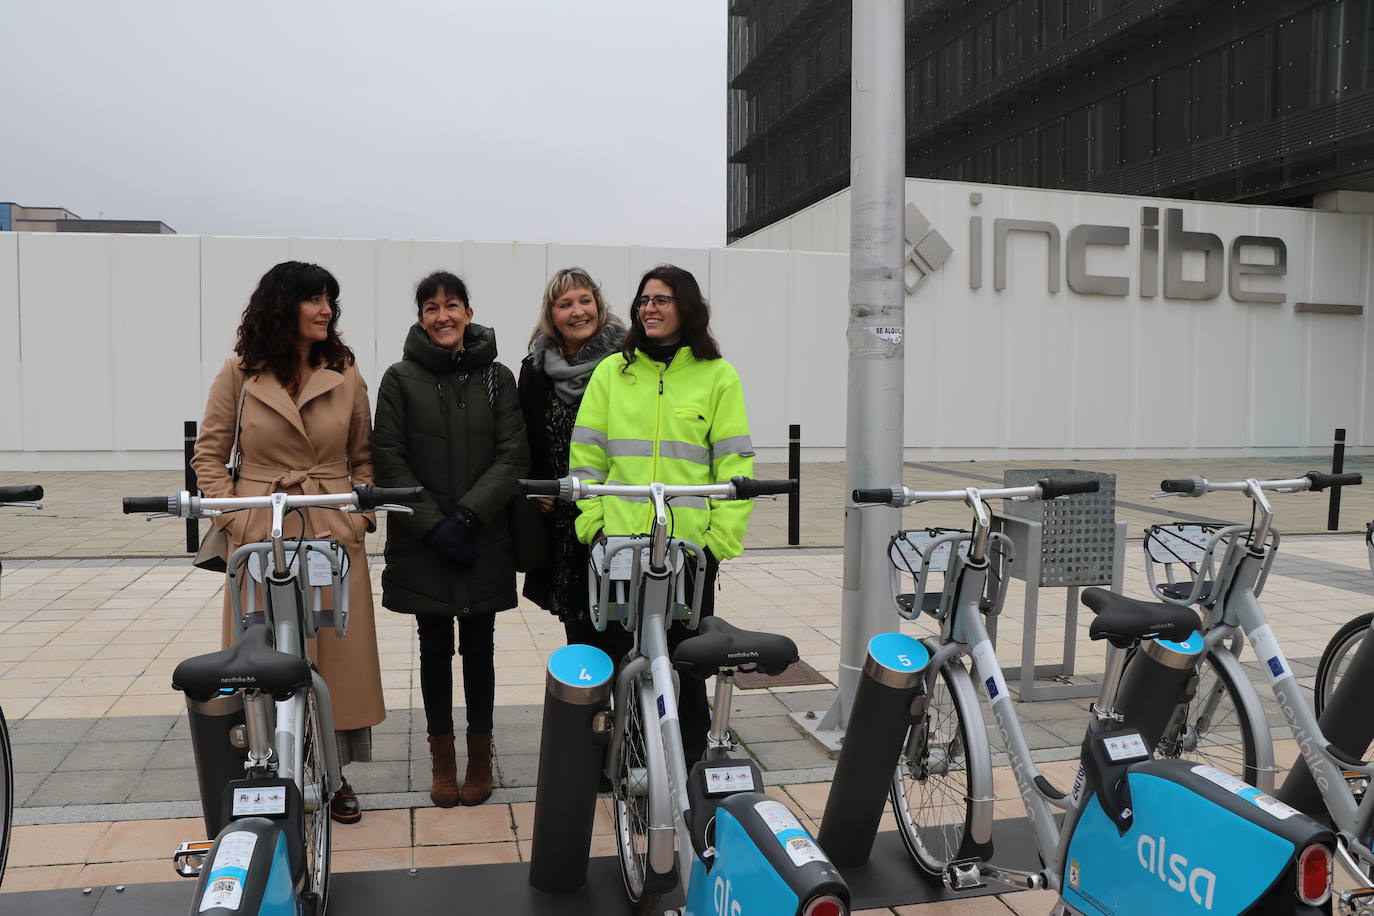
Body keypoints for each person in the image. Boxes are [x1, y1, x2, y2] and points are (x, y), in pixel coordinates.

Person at [192, 260, 383, 825]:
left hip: (329, 528)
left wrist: (355, 521)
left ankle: (334, 774)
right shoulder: (239, 374)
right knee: (263, 657)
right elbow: (208, 455)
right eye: (314, 299)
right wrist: (241, 524)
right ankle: (265, 769)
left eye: (331, 300)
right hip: (261, 531)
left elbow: (364, 457)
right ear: (283, 306)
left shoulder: (345, 372)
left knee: (333, 659)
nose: (327, 310)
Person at [568, 264, 754, 765]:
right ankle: (626, 768)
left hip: (688, 552)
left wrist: (718, 542)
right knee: (620, 662)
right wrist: (593, 525)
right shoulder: (613, 371)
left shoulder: (717, 375)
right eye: (643, 300)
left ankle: (687, 771)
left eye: (661, 299)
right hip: (620, 549)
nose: (648, 307)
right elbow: (586, 457)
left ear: (686, 307)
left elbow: (735, 465)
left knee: (687, 669)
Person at [372, 271, 528, 808]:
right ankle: (443, 760)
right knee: (434, 646)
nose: (443, 316)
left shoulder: (498, 377)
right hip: (424, 541)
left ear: (468, 311)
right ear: (420, 317)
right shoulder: (398, 378)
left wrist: (466, 518)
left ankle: (480, 757)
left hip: (480, 536)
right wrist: (435, 524)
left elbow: (513, 454)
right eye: (432, 307)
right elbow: (387, 456)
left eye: (452, 305)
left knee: (479, 646)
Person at [518, 268, 625, 652]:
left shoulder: (627, 362)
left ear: (598, 304)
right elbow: (526, 435)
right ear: (552, 314)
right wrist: (538, 482)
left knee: (620, 619)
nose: (577, 311)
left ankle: (631, 706)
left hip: (615, 508)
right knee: (578, 627)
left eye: (585, 300)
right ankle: (589, 707)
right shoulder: (534, 370)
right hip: (563, 516)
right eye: (565, 304)